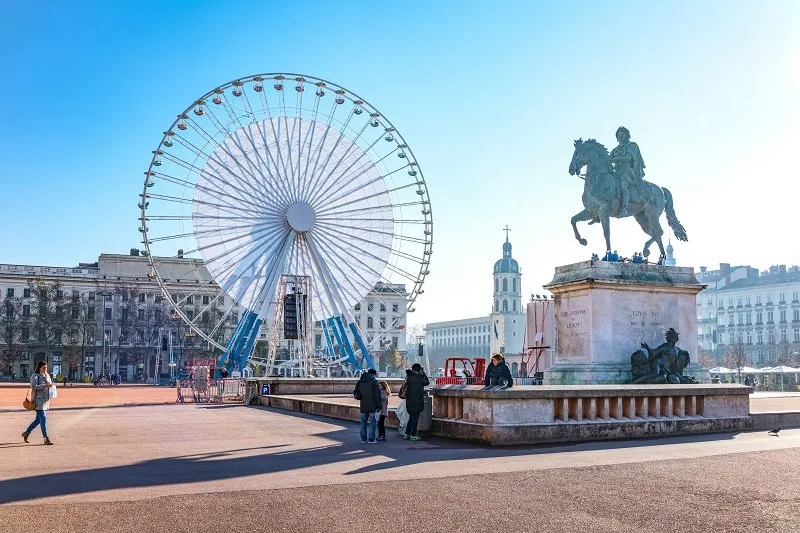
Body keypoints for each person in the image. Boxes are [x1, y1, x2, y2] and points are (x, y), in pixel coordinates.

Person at [610, 126, 646, 217]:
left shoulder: (632, 145)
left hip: (627, 173)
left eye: (623, 134)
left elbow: (628, 158)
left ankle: (624, 209)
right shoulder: (615, 150)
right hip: (616, 173)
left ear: (627, 135)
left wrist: (615, 159)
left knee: (623, 184)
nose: (620, 136)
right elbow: (608, 160)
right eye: (619, 134)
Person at [22, 360, 54, 445]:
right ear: (39, 367)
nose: (45, 369)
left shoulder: (47, 376)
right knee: (43, 419)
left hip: (45, 400)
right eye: (44, 367)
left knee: (38, 420)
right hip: (37, 400)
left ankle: (27, 432)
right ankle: (46, 438)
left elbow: (49, 385)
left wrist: (51, 387)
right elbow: (33, 386)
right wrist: (45, 385)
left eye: (46, 367)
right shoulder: (35, 376)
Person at [353, 369, 381, 444]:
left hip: (363, 405)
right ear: (373, 374)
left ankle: (363, 439)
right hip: (373, 405)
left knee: (363, 423)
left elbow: (356, 391)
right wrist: (379, 405)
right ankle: (371, 439)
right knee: (372, 423)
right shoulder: (374, 382)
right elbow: (377, 395)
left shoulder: (360, 381)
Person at [404, 363, 429, 441]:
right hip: (417, 401)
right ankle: (413, 434)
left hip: (409, 400)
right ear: (419, 369)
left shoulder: (408, 376)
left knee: (411, 418)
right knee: (415, 419)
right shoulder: (418, 378)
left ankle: (407, 434)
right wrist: (423, 374)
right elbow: (427, 382)